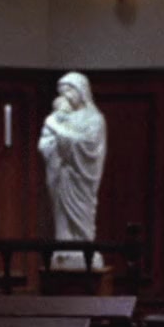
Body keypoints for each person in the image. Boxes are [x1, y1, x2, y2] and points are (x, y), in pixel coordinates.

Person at [37, 71, 107, 270]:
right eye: (62, 92)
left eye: (69, 90)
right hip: (61, 175)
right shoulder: (57, 117)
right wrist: (55, 129)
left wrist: (55, 127)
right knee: (62, 217)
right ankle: (64, 249)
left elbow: (88, 146)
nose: (65, 96)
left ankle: (84, 248)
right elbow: (44, 144)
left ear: (81, 91)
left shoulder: (95, 119)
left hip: (82, 179)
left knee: (83, 217)